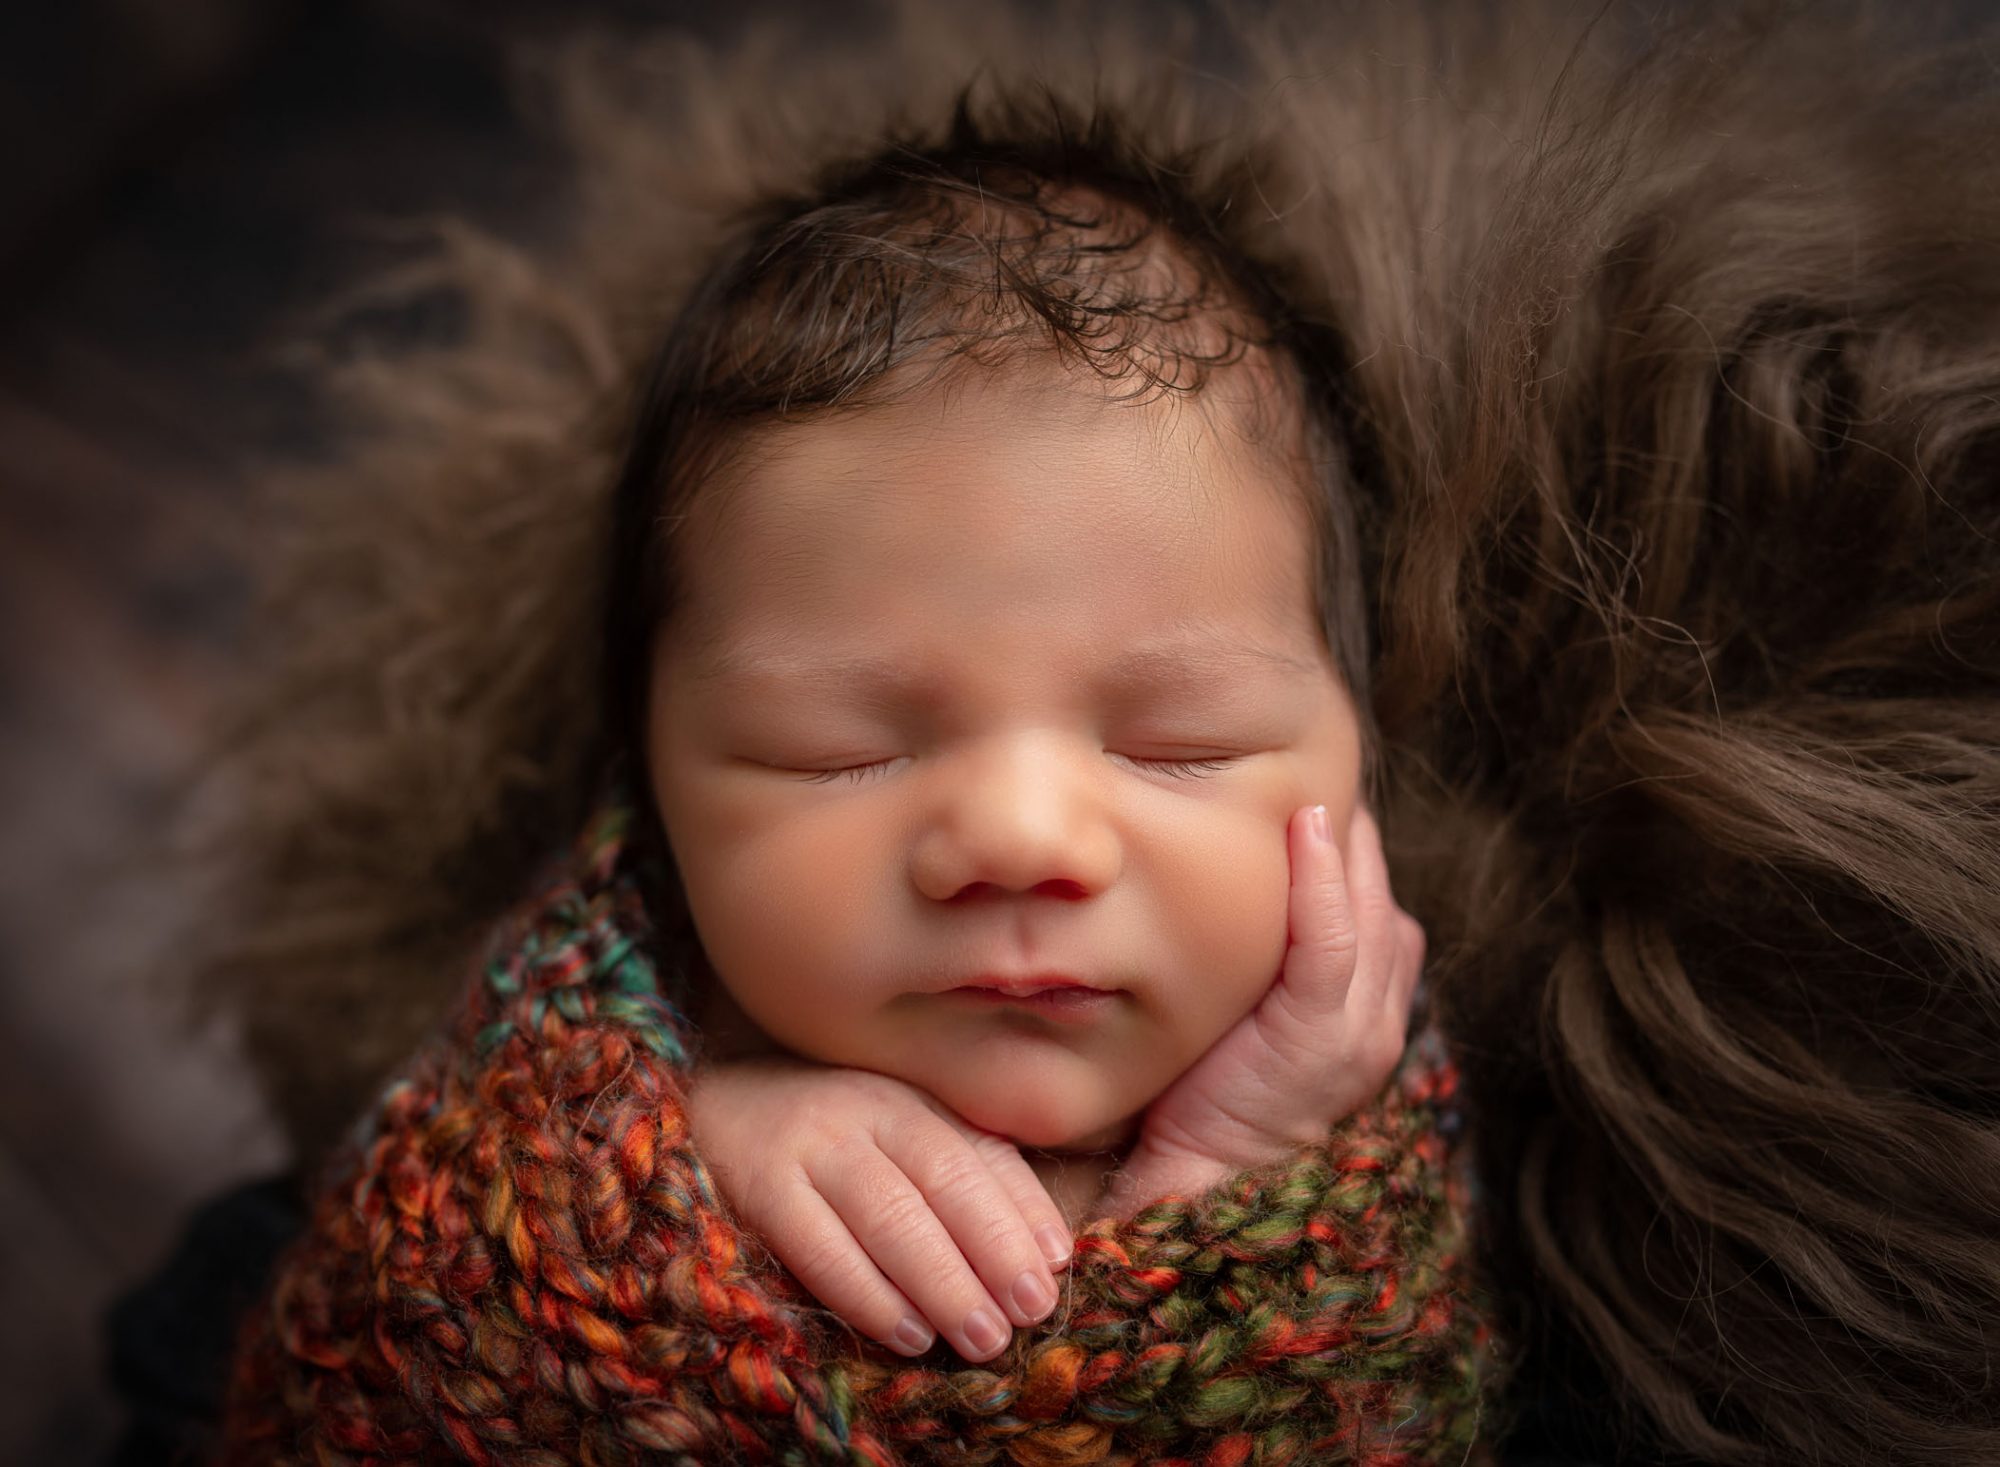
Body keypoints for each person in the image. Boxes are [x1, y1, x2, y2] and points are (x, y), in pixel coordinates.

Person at [169, 3, 2000, 1464]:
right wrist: (680, 1149)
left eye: (1183, 742)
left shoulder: (1407, 1170)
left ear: (1359, 763)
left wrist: (1240, 1170)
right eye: (836, 750)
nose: (1026, 838)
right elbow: (363, 1338)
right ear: (649, 782)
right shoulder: (596, 1080)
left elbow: (1386, 1400)